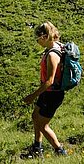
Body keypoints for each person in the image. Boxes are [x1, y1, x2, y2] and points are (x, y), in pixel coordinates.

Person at [21, 21, 68, 158]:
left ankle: (60, 151)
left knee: (43, 125)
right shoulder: (57, 46)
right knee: (35, 116)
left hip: (52, 94)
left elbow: (49, 81)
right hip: (48, 93)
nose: (37, 42)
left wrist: (32, 96)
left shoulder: (53, 55)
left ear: (44, 37)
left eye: (37, 39)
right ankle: (37, 149)